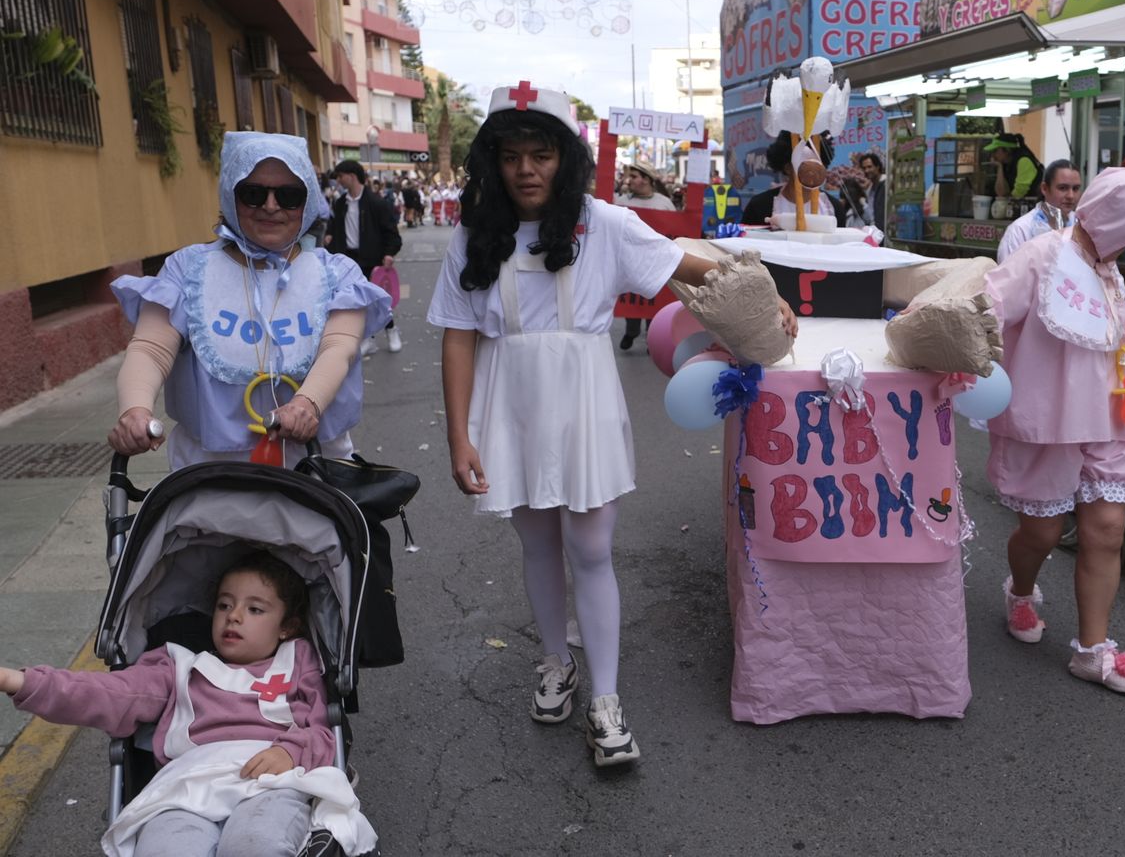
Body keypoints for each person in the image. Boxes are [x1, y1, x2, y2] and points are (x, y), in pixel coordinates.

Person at [426, 82, 797, 766]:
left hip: (584, 402)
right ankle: (553, 660)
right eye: (512, 155)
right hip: (508, 405)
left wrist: (763, 300)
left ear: (564, 158)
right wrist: (459, 435)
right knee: (537, 544)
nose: (527, 169)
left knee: (591, 549)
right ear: (495, 162)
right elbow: (455, 336)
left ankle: (605, 697)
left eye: (541, 153)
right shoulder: (474, 235)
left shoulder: (604, 224)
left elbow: (696, 266)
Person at [1, 552, 376, 857]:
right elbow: (106, 693)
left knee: (254, 844)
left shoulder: (297, 659)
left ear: (287, 626)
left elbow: (322, 731)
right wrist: (19, 681)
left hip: (269, 779)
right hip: (187, 787)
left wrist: (292, 751)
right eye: (224, 604)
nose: (234, 615)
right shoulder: (179, 666)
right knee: (166, 848)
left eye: (255, 609)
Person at [107, 134, 391, 471]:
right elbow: (151, 349)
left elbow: (339, 346)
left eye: (289, 196)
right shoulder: (188, 270)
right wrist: (135, 409)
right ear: (231, 194)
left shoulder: (337, 273)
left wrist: (306, 404)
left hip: (316, 470)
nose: (271, 206)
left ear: (308, 201)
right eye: (253, 194)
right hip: (208, 476)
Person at [983, 167, 1125, 696]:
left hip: (1108, 416)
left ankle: (1092, 651)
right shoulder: (1041, 255)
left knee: (1106, 530)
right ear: (1113, 218)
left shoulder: (1110, 270)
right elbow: (987, 309)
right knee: (1040, 532)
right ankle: (1020, 591)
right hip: (1049, 419)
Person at [325, 160, 405, 354]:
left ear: (351, 176)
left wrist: (389, 253)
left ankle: (392, 331)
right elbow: (333, 226)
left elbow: (391, 233)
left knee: (378, 300)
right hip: (348, 260)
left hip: (372, 258)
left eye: (341, 176)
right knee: (357, 302)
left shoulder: (377, 202)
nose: (339, 181)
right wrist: (330, 236)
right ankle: (367, 339)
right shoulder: (340, 203)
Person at [614, 160, 675, 351]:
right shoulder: (621, 203)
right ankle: (631, 332)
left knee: (653, 298)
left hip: (654, 260)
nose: (628, 180)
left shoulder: (664, 203)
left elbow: (673, 230)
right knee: (632, 297)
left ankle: (651, 336)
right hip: (630, 261)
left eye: (633, 176)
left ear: (646, 179)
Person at [739, 132, 847, 228]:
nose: (811, 172)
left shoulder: (834, 208)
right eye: (805, 164)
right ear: (787, 168)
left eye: (817, 164)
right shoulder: (760, 206)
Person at [996, 159, 1083, 262]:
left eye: (1076, 188)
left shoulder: (1082, 225)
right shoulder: (1020, 231)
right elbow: (1006, 275)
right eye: (1063, 188)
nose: (1071, 196)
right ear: (1045, 188)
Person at [985, 132, 1042, 201]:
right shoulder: (1006, 165)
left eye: (995, 151)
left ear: (1007, 150)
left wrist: (1007, 202)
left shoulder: (1024, 161)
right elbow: (1001, 193)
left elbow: (1019, 192)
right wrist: (1000, 168)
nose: (993, 155)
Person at [858, 152, 887, 229]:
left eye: (869, 167)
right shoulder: (869, 189)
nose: (866, 170)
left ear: (877, 167)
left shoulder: (887, 184)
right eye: (864, 168)